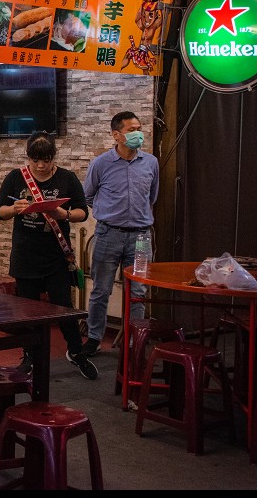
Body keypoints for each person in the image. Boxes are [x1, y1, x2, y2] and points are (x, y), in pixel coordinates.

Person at [0, 131, 97, 380]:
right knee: (26, 310)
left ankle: (76, 352)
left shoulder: (67, 178)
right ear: (28, 156)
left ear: (54, 157)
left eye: (46, 160)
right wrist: (15, 209)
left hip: (57, 256)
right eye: (35, 160)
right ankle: (29, 355)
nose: (41, 166)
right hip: (25, 254)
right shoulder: (16, 177)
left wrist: (65, 215)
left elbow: (83, 212)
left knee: (63, 306)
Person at [81, 110, 159, 357]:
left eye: (139, 128)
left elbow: (152, 196)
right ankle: (94, 338)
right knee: (101, 289)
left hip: (141, 237)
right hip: (108, 234)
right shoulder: (101, 164)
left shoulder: (151, 162)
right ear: (116, 135)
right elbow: (87, 196)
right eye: (131, 130)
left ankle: (134, 343)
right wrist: (108, 211)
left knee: (138, 291)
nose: (138, 133)